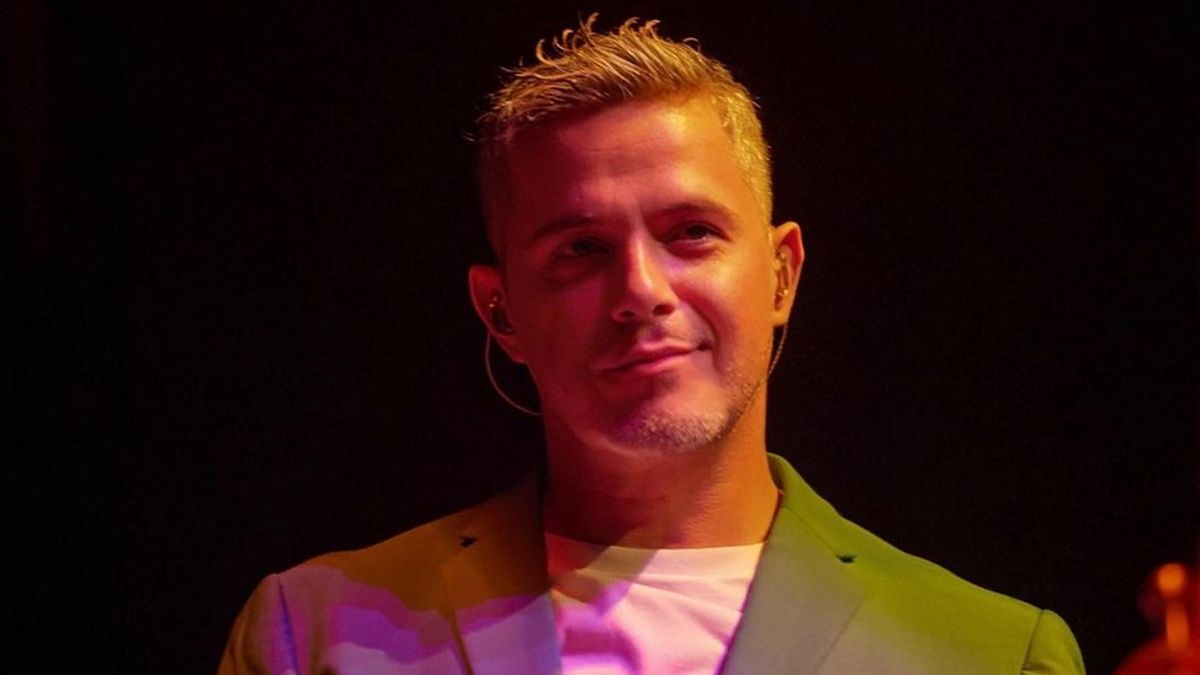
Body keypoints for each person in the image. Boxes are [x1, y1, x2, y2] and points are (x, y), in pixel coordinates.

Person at [219, 16, 1085, 674]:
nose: (641, 290)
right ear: (501, 312)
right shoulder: (315, 633)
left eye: (691, 232)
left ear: (781, 275)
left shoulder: (989, 653)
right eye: (581, 248)